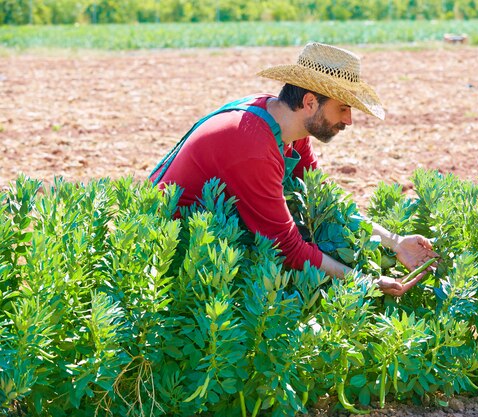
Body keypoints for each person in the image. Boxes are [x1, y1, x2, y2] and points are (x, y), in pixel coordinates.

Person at [150, 42, 437, 297]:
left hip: (214, 229)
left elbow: (322, 197)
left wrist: (395, 242)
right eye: (343, 108)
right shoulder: (251, 144)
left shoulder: (287, 125)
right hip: (173, 249)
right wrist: (364, 281)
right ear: (310, 102)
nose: (349, 120)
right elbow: (287, 247)